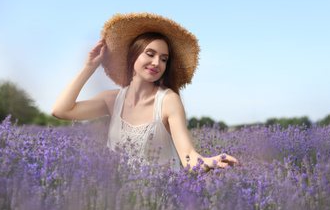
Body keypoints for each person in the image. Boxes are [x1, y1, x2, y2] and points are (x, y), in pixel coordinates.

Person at [51, 12, 238, 170]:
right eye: (150, 54)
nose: (157, 63)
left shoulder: (168, 101)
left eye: (164, 59)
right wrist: (89, 68)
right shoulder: (111, 99)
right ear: (133, 56)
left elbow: (187, 155)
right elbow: (61, 111)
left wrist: (211, 161)